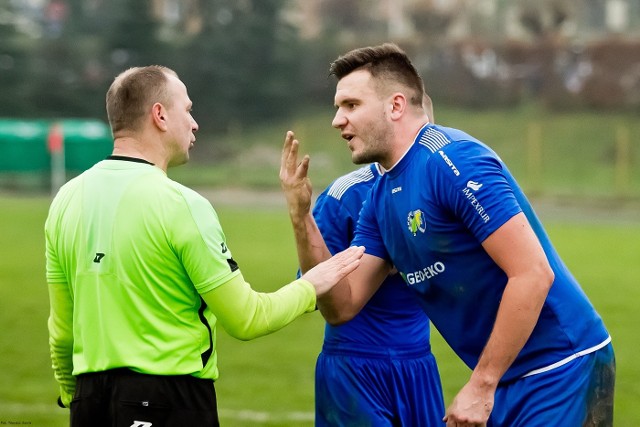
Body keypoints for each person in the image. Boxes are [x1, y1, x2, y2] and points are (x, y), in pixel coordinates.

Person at [280, 43, 615, 426]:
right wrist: (300, 215)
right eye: (338, 107)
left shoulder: (453, 160)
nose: (337, 120)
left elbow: (534, 273)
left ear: (395, 106)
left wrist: (481, 385)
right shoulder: (379, 197)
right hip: (509, 375)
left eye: (351, 105)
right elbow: (342, 306)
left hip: (561, 365)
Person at [45, 65, 364, 426]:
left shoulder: (66, 199)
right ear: (160, 116)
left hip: (88, 403)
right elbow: (246, 319)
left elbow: (62, 330)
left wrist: (74, 396)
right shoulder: (181, 204)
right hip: (168, 402)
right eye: (188, 109)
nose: (195, 124)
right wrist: (312, 284)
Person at [311, 92, 444, 426]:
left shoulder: (442, 190)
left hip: (419, 363)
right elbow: (312, 287)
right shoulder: (344, 196)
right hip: (355, 364)